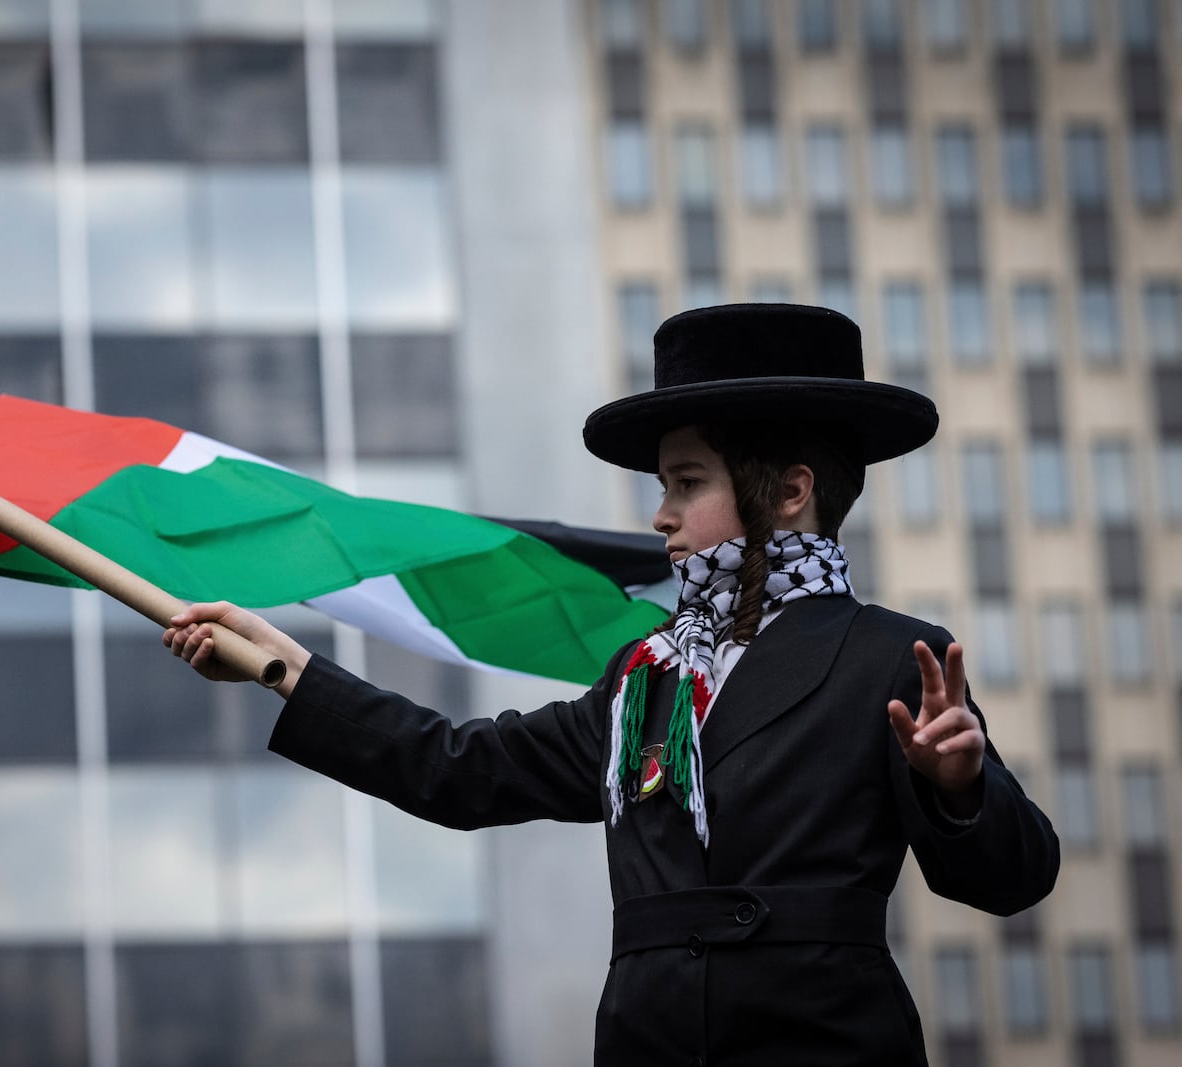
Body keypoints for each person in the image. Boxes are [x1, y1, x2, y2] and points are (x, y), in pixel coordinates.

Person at [162, 303, 1059, 1065]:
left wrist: (961, 789)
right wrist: (285, 667)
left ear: (789, 490)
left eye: (687, 481)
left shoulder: (896, 660)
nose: (660, 514)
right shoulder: (645, 674)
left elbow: (1015, 877)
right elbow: (461, 769)